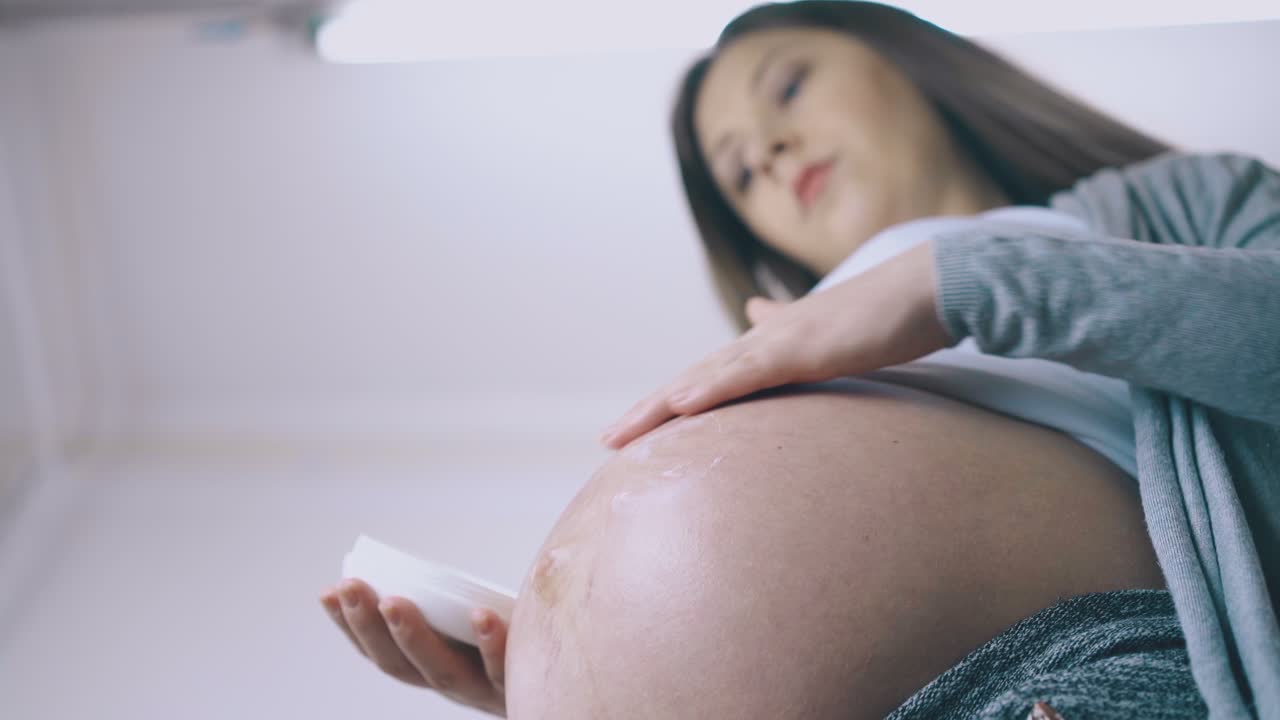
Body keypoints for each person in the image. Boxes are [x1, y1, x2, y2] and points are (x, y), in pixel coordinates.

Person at [319, 2, 1280, 717]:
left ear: (908, 59)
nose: (770, 151)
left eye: (786, 86)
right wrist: (555, 676)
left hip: (1079, 668)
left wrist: (952, 284)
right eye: (738, 170)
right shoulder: (796, 346)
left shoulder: (1182, 204)